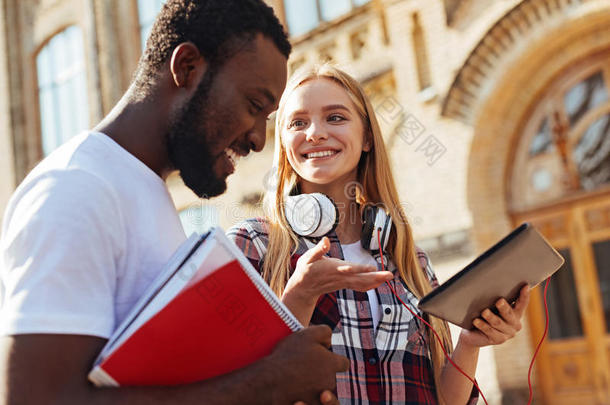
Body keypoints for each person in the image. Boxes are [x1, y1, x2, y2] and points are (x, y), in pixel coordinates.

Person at [0, 1, 349, 404]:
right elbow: (37, 397)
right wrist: (266, 383)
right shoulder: (75, 187)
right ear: (186, 68)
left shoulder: (143, 193)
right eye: (254, 106)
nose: (257, 138)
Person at [228, 64, 531, 405]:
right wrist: (299, 296)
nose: (314, 132)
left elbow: (445, 400)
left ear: (368, 137)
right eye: (297, 122)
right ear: (283, 143)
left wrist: (470, 342)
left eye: (336, 117)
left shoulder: (410, 261)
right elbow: (237, 387)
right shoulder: (251, 246)